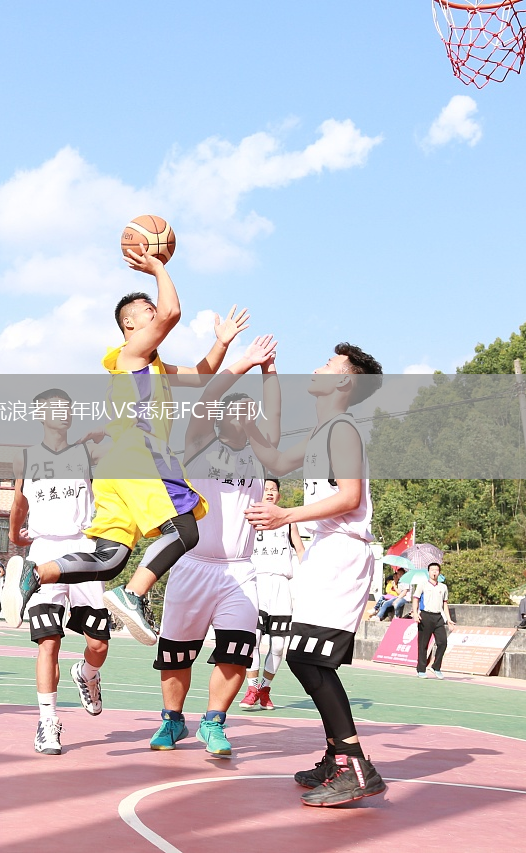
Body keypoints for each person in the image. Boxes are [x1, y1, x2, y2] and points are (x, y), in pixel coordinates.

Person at [2, 246, 247, 643]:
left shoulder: (152, 365)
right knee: (185, 530)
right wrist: (158, 267)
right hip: (141, 456)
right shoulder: (131, 354)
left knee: (110, 558)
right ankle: (133, 595)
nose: (157, 312)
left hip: (117, 468)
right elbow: (172, 312)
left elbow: (201, 376)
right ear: (129, 323)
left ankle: (36, 573)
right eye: (148, 310)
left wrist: (222, 343)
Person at [244, 342, 387, 807]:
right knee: (304, 656)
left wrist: (286, 516)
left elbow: (349, 497)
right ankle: (335, 756)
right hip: (326, 551)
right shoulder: (324, 431)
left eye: (327, 364)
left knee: (308, 658)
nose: (317, 367)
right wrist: (262, 383)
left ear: (343, 380)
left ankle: (354, 766)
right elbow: (276, 461)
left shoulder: (342, 430)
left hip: (342, 551)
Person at [148, 336, 281, 756]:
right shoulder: (200, 444)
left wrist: (269, 371)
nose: (245, 414)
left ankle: (214, 722)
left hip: (239, 569)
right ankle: (172, 721)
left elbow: (275, 412)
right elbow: (207, 396)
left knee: (237, 650)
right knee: (176, 653)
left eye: (250, 410)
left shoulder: (262, 454)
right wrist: (244, 362)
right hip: (193, 562)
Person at [8, 387, 112, 755]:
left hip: (84, 550)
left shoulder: (88, 453)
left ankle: (87, 673)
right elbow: (19, 502)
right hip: (43, 551)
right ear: (39, 414)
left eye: (67, 408)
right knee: (48, 641)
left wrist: (105, 429)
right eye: (54, 408)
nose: (63, 413)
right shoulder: (25, 458)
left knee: (98, 643)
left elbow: (128, 441)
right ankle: (48, 722)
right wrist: (14, 535)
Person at [241, 477, 305, 712]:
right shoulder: (249, 518)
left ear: (278, 496)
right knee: (254, 640)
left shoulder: (288, 522)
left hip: (281, 585)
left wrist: (310, 576)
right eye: (266, 489)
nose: (269, 492)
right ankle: (251, 689)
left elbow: (300, 550)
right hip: (256, 583)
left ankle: (265, 689)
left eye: (273, 490)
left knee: (278, 645)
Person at [411, 560, 454, 679]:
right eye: (432, 570)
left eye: (437, 570)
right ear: (428, 572)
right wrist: (415, 613)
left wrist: (448, 619)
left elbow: (445, 604)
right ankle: (421, 669)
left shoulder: (443, 587)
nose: (434, 572)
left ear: (439, 572)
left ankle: (436, 667)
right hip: (425, 616)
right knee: (423, 644)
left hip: (438, 617)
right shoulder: (422, 585)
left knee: (443, 642)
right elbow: (416, 599)